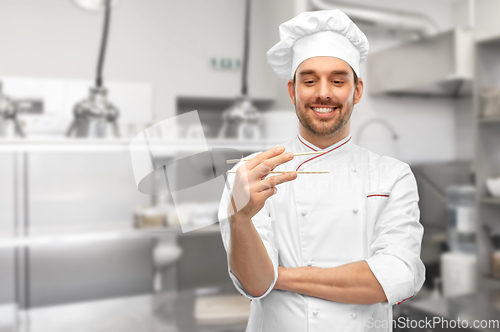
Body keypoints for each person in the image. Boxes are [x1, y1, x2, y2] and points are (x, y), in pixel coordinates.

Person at [217, 9, 425, 332]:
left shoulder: (392, 176)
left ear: (356, 90)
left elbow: (396, 276)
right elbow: (257, 284)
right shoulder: (250, 176)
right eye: (309, 80)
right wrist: (239, 218)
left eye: (338, 80)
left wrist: (280, 277)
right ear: (292, 91)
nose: (323, 92)